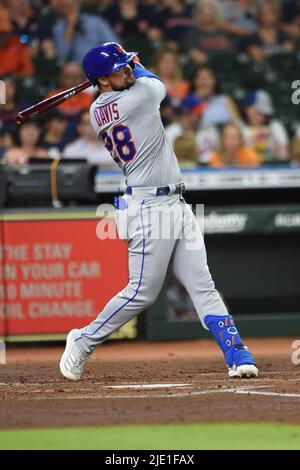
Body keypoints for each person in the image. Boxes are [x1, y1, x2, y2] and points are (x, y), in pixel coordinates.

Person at [59, 42, 258, 381]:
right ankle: (82, 339)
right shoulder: (140, 97)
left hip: (174, 203)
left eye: (126, 66)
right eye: (118, 68)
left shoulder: (97, 110)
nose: (126, 70)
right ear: (103, 81)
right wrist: (134, 62)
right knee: (142, 292)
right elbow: (154, 81)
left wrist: (120, 65)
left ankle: (237, 354)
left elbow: (133, 75)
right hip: (150, 207)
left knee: (201, 282)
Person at [52, 0, 117, 64]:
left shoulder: (96, 22)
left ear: (78, 5)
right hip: (76, 67)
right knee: (71, 70)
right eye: (66, 7)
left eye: (72, 6)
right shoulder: (58, 27)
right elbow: (63, 56)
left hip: (99, 63)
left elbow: (114, 45)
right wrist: (70, 25)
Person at [242, 90, 290, 162]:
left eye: (264, 114)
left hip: (273, 169)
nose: (261, 117)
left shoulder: (275, 126)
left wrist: (274, 137)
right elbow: (239, 156)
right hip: (247, 171)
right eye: (257, 112)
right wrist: (256, 135)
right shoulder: (240, 128)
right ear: (247, 109)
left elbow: (284, 156)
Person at [183, 0, 235, 65]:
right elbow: (195, 54)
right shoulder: (192, 33)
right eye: (204, 13)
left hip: (226, 66)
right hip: (205, 68)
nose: (207, 15)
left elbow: (232, 51)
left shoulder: (224, 31)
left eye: (210, 12)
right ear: (198, 15)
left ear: (214, 14)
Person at [0, 6, 34, 76]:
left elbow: (29, 71)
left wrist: (12, 77)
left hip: (11, 84)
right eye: (1, 33)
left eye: (4, 33)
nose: (3, 36)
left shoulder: (17, 43)